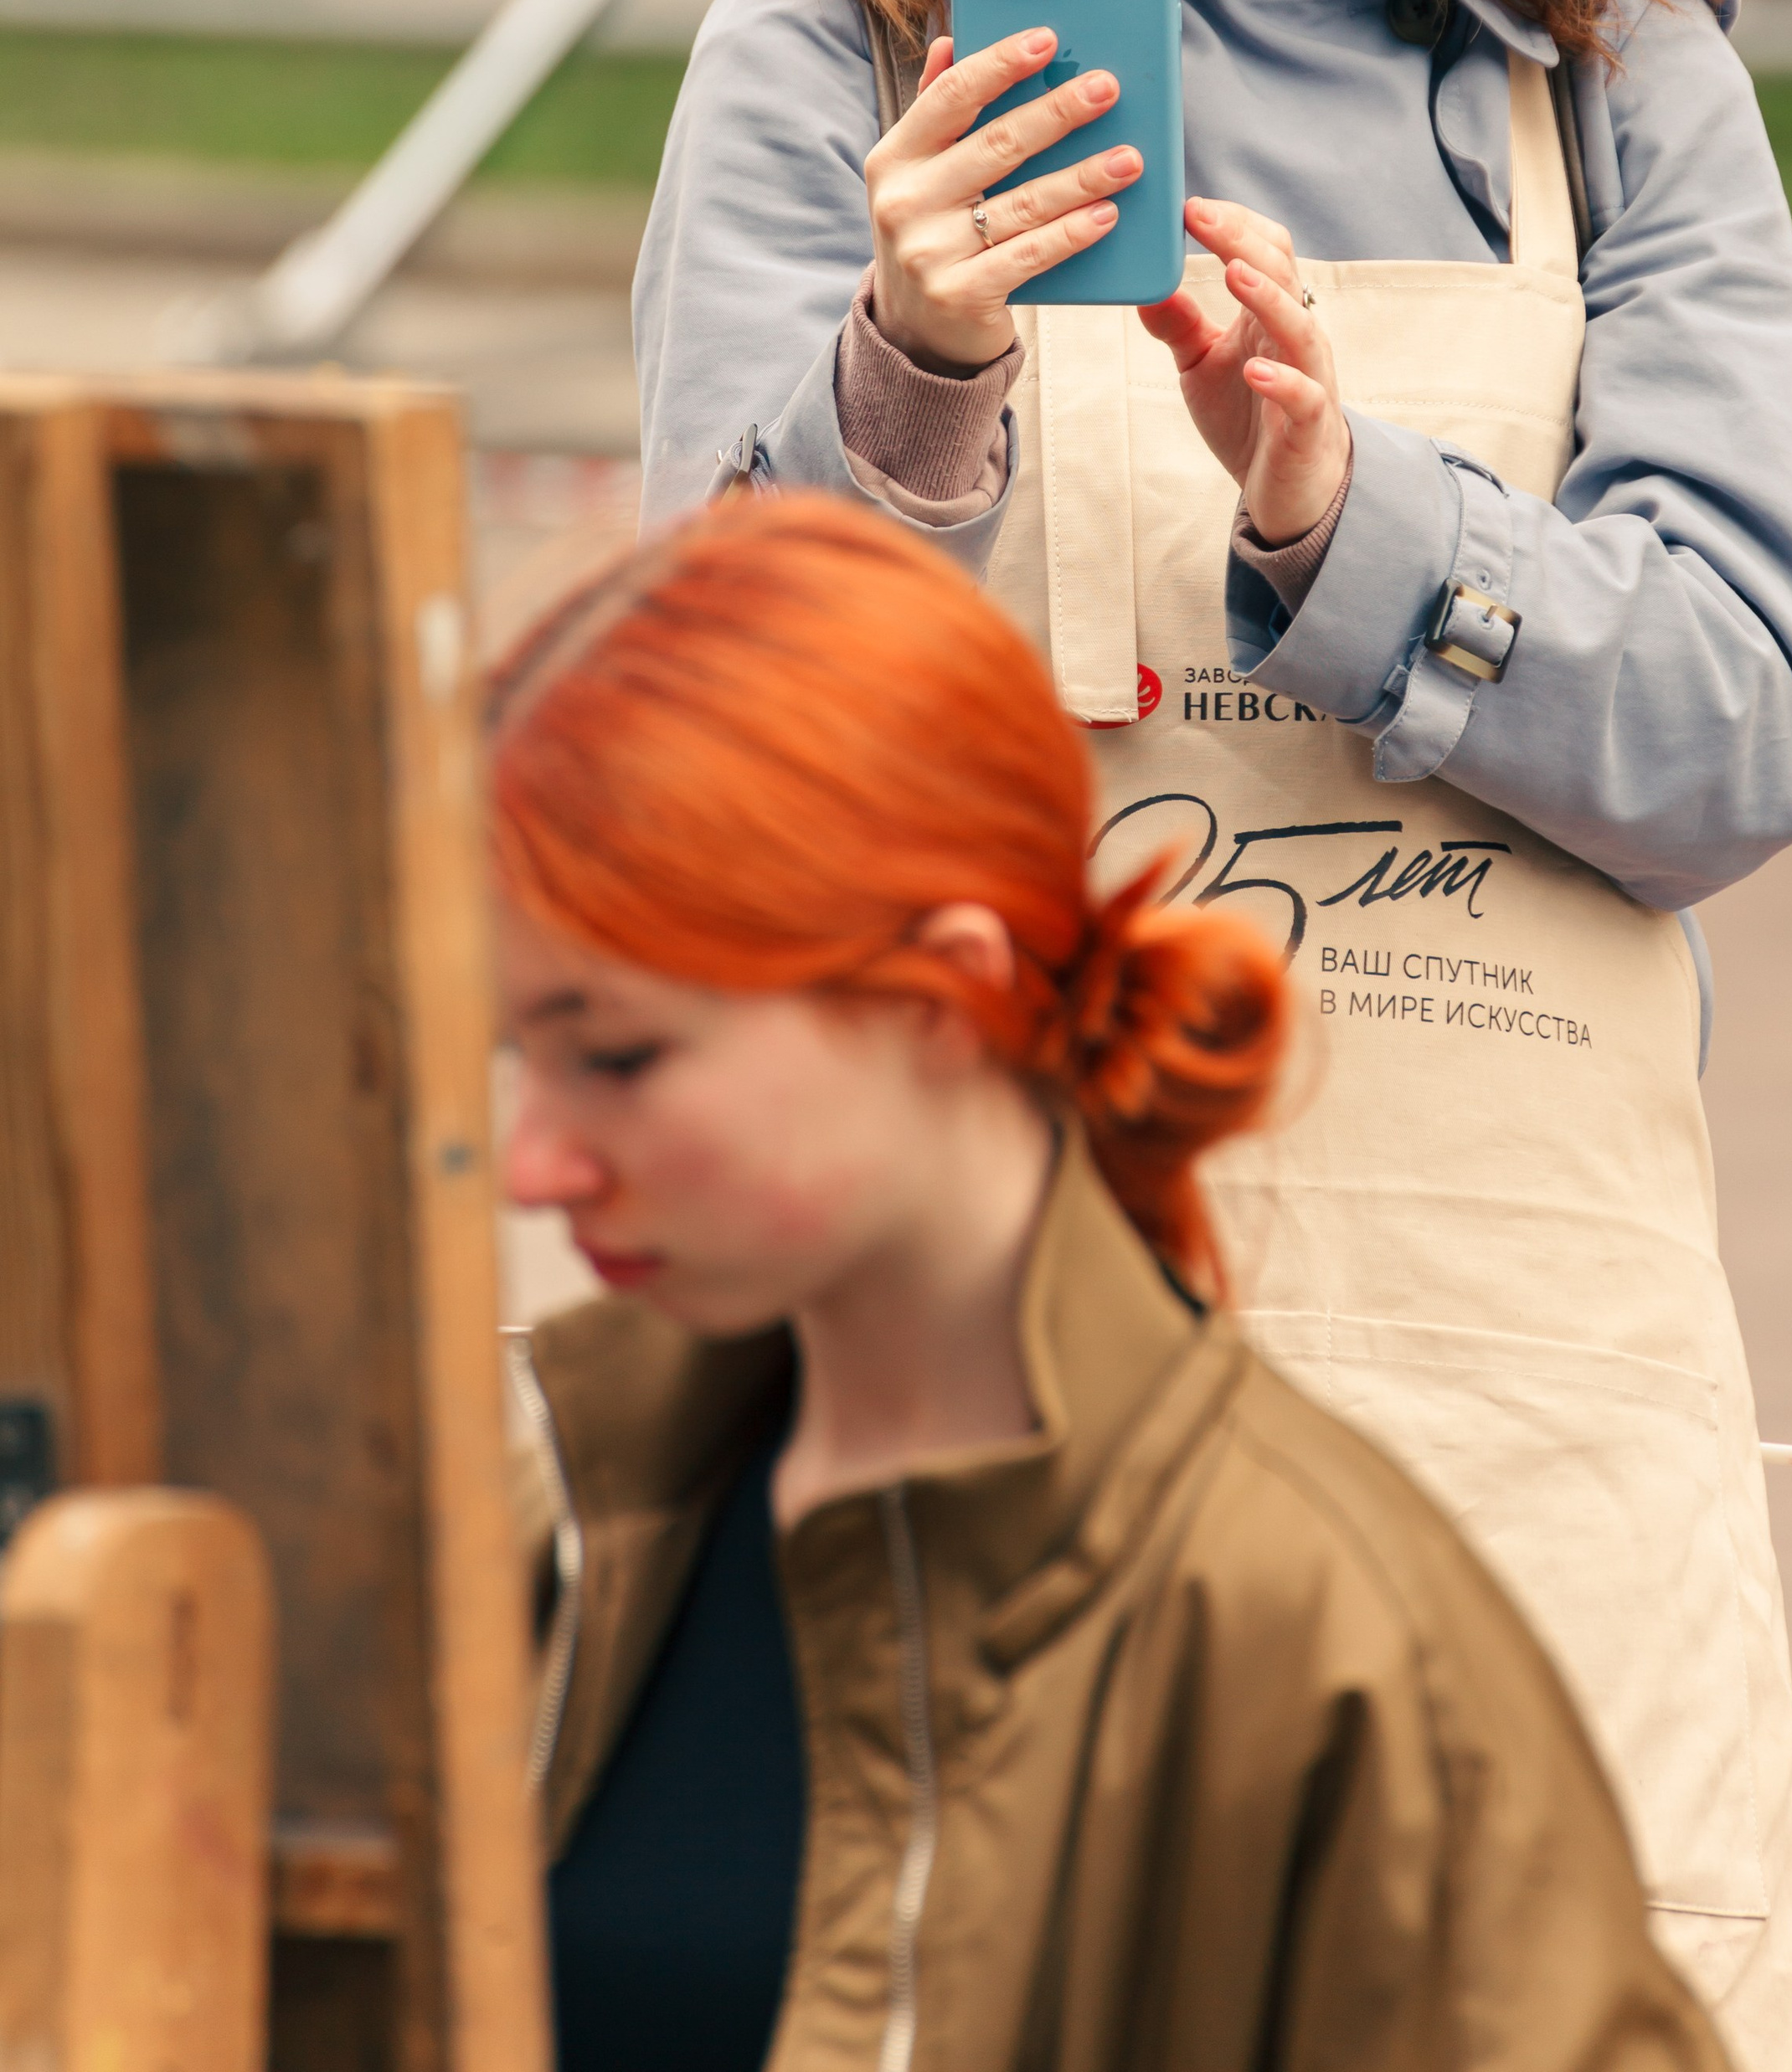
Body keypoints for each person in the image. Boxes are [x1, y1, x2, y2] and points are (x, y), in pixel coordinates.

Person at [635, 0, 1792, 2067]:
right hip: (986, 1368)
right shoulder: (828, 60)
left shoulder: (1617, 66)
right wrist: (915, 376)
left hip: (1518, 1371)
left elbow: (1746, 737)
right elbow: (706, 797)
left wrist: (1347, 514)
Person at [492, 491, 1727, 2072]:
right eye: (514, 1052)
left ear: (945, 995)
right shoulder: (559, 1532)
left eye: (615, 1055)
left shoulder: (1326, 1646)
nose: (532, 1161)